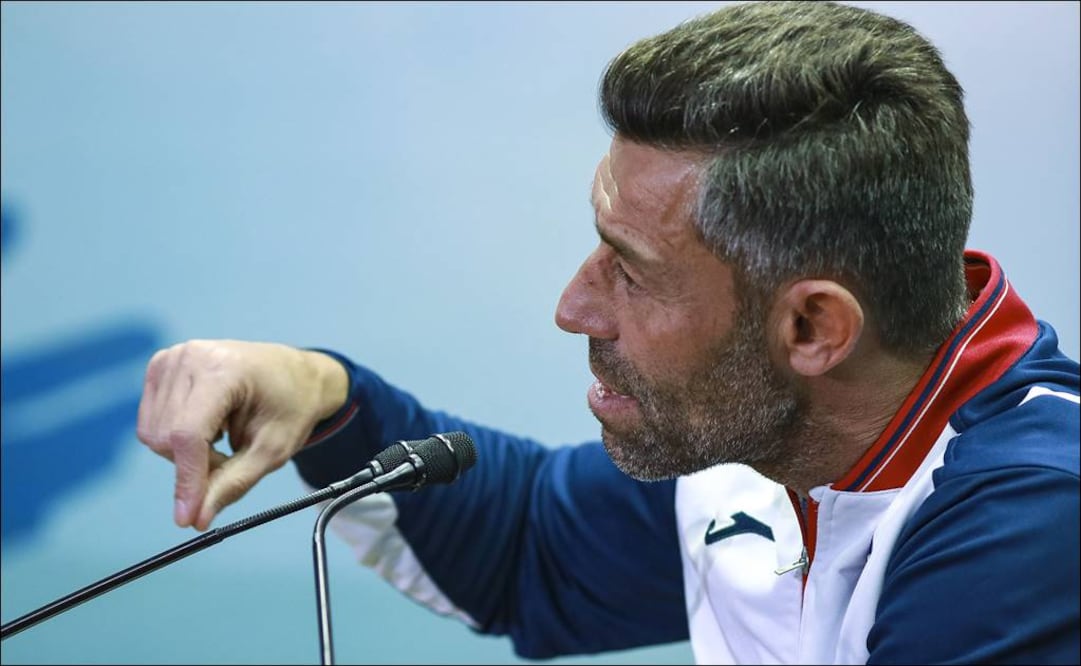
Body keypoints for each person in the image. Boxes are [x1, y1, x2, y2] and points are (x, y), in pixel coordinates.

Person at [135, 2, 1080, 663]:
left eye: (630, 271)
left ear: (811, 326)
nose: (575, 308)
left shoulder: (1034, 520)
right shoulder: (773, 434)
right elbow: (527, 552)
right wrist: (324, 399)